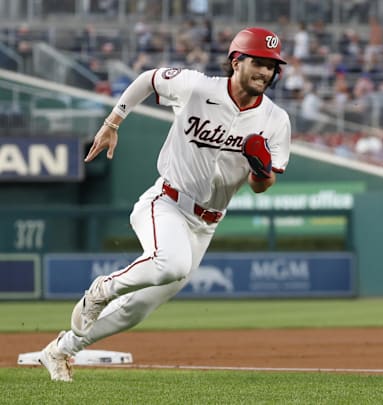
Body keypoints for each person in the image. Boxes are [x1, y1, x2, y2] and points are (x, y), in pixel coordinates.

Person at [37, 27, 291, 382]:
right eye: (258, 62)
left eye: (271, 66)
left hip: (207, 223)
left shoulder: (276, 120)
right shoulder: (198, 87)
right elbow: (147, 80)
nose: (265, 72)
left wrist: (260, 168)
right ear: (236, 60)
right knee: (171, 263)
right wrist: (113, 122)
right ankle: (101, 290)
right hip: (166, 202)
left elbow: (262, 186)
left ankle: (61, 350)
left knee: (137, 310)